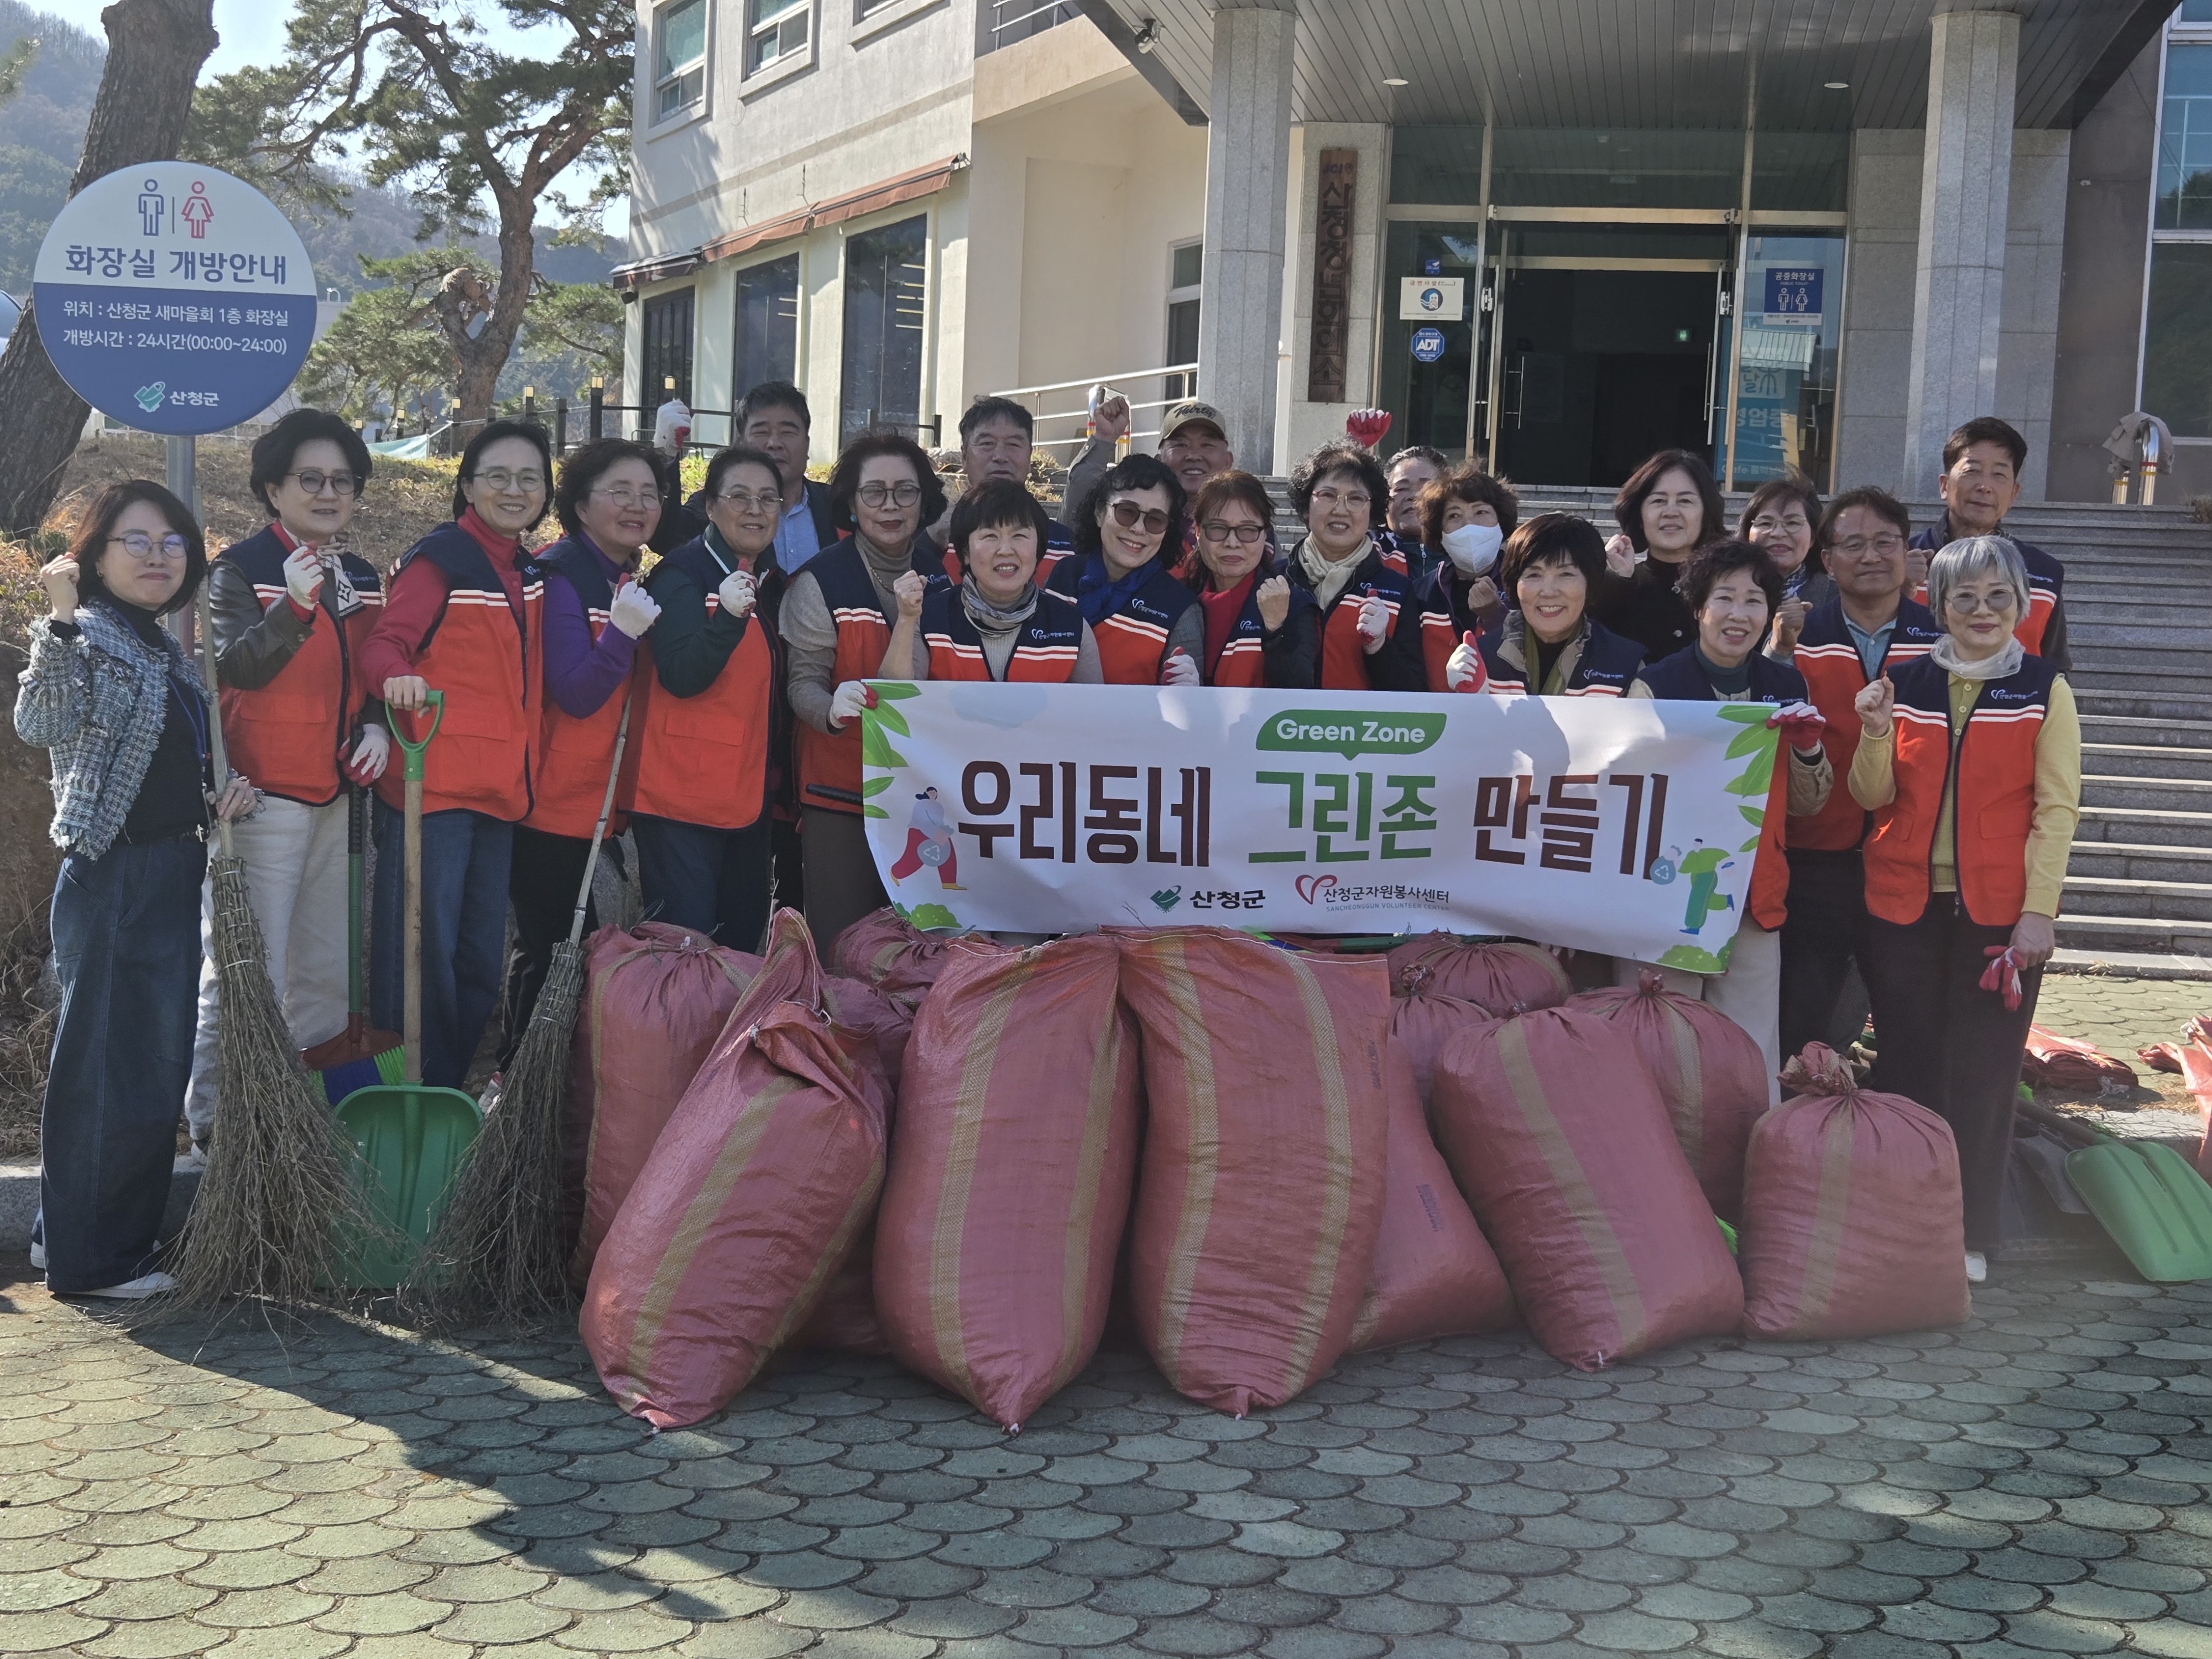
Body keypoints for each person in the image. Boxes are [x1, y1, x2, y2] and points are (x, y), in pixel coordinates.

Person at [17, 482, 257, 1297]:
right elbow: (40, 724)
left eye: (172, 542)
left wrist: (221, 796)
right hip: (114, 871)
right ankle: (100, 1263)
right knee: (119, 1069)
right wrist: (55, 614)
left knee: (131, 1065)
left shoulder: (160, 646)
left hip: (164, 869)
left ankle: (67, 1240)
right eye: (136, 541)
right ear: (96, 555)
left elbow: (163, 763)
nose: (158, 556)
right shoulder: (87, 634)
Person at [1850, 535, 2081, 1284]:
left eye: (1998, 598)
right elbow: (1871, 796)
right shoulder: (1905, 682)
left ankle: (1971, 1235)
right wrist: (1877, 733)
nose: (1982, 612)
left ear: (2021, 606)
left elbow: (2057, 809)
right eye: (1964, 598)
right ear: (1939, 605)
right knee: (1908, 1065)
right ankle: (1905, 1223)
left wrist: (2038, 913)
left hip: (1999, 918)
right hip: (1902, 907)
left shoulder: (2044, 688)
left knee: (1983, 1076)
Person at [185, 411, 388, 1156]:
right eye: (311, 479)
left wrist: (373, 723)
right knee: (246, 974)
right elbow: (238, 667)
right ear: (274, 488)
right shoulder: (239, 567)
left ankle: (299, 1133)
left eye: (342, 480)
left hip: (336, 799)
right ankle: (218, 1135)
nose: (328, 492)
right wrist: (295, 606)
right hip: (260, 798)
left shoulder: (360, 576)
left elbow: (367, 670)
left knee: (325, 978)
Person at [361, 419, 553, 1089]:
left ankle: (444, 1089)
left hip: (499, 793)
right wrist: (396, 681)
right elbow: (384, 644)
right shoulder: (439, 560)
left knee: (475, 962)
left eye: (529, 477)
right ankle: (404, 1089)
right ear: (467, 485)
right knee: (419, 958)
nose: (513, 489)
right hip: (432, 790)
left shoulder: (527, 569)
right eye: (496, 476)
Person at [1625, 540, 1834, 1093]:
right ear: (1698, 608)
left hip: (1753, 895)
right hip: (1667, 897)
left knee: (1748, 1054)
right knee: (1662, 1051)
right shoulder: (1657, 686)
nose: (1738, 615)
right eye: (1724, 598)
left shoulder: (1784, 686)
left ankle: (1747, 1166)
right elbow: (1627, 793)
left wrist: (1809, 751)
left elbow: (1806, 804)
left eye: (1753, 600)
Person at [504, 438, 663, 1046]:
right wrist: (622, 634)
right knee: (549, 952)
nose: (637, 505)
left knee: (564, 948)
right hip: (549, 800)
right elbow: (573, 691)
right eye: (619, 492)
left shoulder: (617, 574)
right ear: (579, 503)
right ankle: (515, 1086)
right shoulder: (561, 573)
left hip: (592, 799)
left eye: (648, 494)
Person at [1779, 487, 1947, 1058]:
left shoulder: (1943, 641)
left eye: (1885, 542)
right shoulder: (1799, 640)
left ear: (1908, 552)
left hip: (1907, 859)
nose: (1871, 556)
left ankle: (1902, 1135)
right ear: (1827, 560)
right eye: (1853, 544)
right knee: (1800, 1018)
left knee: (1909, 1025)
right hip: (1814, 857)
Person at [780, 429, 950, 946]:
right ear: (851, 504)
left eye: (906, 491)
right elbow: (801, 682)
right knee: (843, 944)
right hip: (840, 790)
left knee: (918, 947)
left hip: (925, 795)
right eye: (874, 492)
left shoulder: (941, 575)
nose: (891, 505)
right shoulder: (821, 580)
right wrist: (831, 709)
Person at [632, 444, 786, 948]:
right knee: (686, 954)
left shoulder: (767, 577)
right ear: (711, 506)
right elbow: (680, 674)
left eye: (768, 498)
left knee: (739, 946)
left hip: (746, 794)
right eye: (739, 497)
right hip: (682, 797)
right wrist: (728, 621)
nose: (755, 509)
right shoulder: (682, 575)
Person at [881, 481, 1104, 685]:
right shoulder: (930, 618)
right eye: (990, 536)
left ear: (1038, 548)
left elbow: (1092, 717)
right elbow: (894, 699)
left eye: (1019, 536)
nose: (1005, 550)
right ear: (965, 552)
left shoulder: (1071, 626)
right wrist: (906, 620)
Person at [1908, 416, 2070, 669]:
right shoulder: (1903, 564)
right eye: (1971, 471)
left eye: (1999, 475)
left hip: (2009, 707)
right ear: (1944, 486)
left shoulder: (2043, 574)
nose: (1985, 487)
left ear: (2014, 493)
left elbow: (2054, 667)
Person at [1283, 440, 1426, 691]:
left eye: (1356, 498)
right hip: (1285, 729)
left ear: (1372, 515)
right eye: (1328, 496)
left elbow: (1412, 689)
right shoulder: (1274, 581)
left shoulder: (1398, 590)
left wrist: (1379, 646)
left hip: (1363, 730)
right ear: (1306, 508)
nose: (1341, 510)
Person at [1046, 454, 1202, 684]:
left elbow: (1185, 712)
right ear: (1100, 513)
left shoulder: (1179, 607)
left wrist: (1189, 692)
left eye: (1155, 520)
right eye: (1127, 511)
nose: (1139, 529)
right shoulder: (1064, 575)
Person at [1449, 514, 1645, 696]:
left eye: (1566, 574)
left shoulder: (1626, 664)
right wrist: (1468, 698)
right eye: (1534, 575)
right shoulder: (1482, 658)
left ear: (1590, 583)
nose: (1549, 591)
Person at [1183, 470, 1318, 687]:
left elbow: (1299, 695)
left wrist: (1275, 631)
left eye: (1247, 530)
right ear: (1198, 532)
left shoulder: (1292, 602)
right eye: (1218, 528)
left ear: (1266, 534)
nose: (1232, 543)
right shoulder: (1180, 600)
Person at [1590, 448, 1726, 663]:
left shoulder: (1727, 586)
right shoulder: (1619, 587)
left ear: (1706, 513)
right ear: (1640, 515)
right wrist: (1614, 582)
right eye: (1658, 501)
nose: (1671, 512)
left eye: (1685, 501)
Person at [1065, 396, 1235, 541]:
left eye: (1207, 445)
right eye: (1180, 445)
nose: (1193, 455)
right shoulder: (1138, 519)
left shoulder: (1245, 525)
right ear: (1159, 460)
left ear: (1229, 461)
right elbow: (1078, 517)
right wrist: (1104, 439)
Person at [1415, 463, 1517, 691]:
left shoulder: (1523, 586)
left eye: (1481, 512)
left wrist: (1495, 616)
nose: (1469, 525)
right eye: (1454, 516)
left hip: (1508, 719)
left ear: (1501, 523)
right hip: (1435, 721)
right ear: (1439, 531)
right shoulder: (1420, 594)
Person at [940, 397, 1074, 565]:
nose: (1000, 457)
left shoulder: (1066, 549)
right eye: (987, 443)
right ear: (965, 457)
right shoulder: (934, 544)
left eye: (1013, 444)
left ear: (1030, 456)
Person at [738, 381, 839, 575]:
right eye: (761, 432)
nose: (774, 444)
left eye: (787, 433)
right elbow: (669, 533)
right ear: (741, 443)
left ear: (807, 444)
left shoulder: (837, 505)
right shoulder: (717, 505)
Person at [1740, 476, 1833, 659]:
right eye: (1766, 523)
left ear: (1813, 537)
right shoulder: (1726, 591)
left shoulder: (1835, 598)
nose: (1778, 533)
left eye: (1792, 523)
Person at [1380, 445, 1449, 582]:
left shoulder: (1464, 554)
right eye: (1401, 488)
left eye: (1426, 487)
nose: (1414, 496)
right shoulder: (1366, 552)